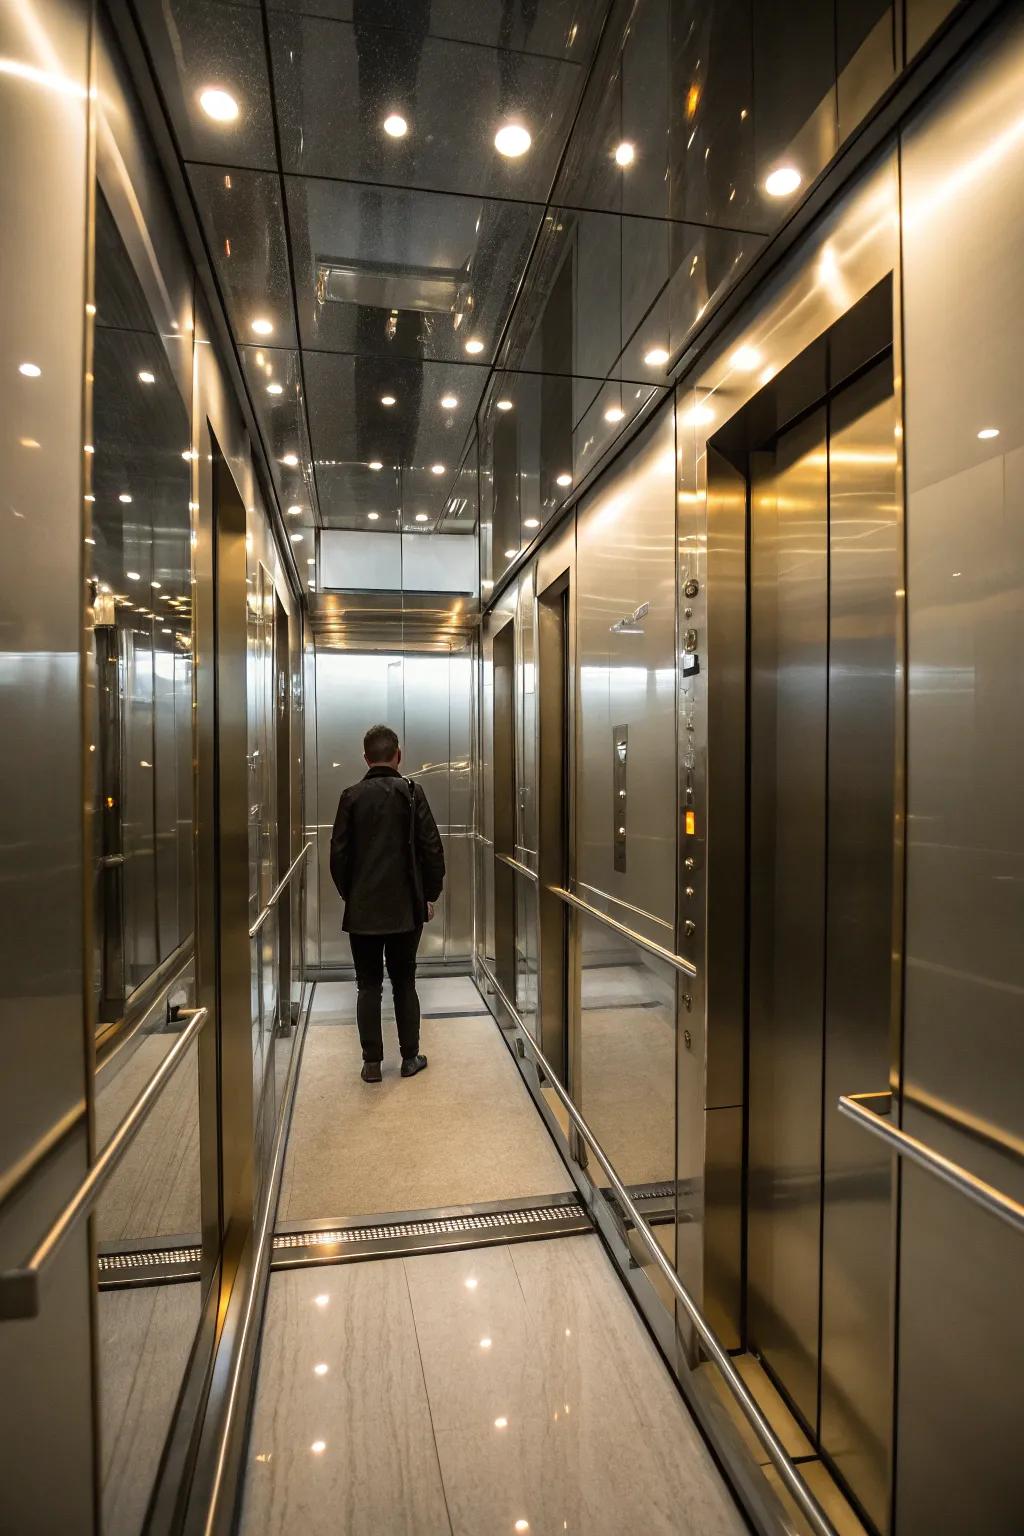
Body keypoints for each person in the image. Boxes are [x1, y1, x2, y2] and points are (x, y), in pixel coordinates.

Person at [329, 724, 445, 1083]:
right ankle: (410, 1058)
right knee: (404, 981)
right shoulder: (412, 793)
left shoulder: (350, 796)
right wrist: (429, 895)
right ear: (399, 755)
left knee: (367, 984)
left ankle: (372, 1063)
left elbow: (338, 858)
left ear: (365, 758)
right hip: (405, 911)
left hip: (363, 911)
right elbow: (431, 850)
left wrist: (352, 895)